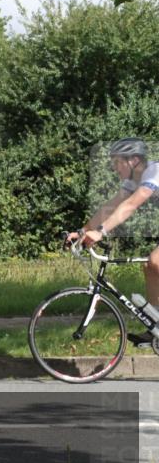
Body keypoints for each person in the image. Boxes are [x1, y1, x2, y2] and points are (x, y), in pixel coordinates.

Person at [69, 137, 159, 346]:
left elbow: (131, 205)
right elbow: (111, 206)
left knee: (156, 260)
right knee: (150, 267)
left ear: (134, 160)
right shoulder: (132, 181)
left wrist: (101, 232)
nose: (114, 167)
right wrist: (82, 232)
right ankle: (156, 328)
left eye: (118, 162)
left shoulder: (155, 172)